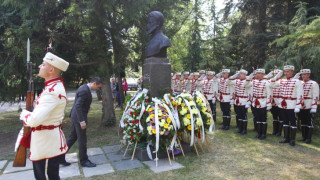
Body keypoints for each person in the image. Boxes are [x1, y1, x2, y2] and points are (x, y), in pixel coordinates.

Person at [19, 52, 69, 179]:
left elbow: (35, 120)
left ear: (51, 70)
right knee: (52, 175)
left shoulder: (52, 92)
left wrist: (24, 114)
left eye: (43, 64)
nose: (39, 66)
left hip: (44, 141)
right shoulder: (52, 87)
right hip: (48, 139)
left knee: (44, 176)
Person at [60, 77, 102, 167]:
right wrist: (82, 121)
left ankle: (60, 157)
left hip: (76, 116)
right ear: (94, 83)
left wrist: (87, 107)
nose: (98, 89)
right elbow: (78, 105)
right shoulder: (84, 90)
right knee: (82, 140)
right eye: (98, 87)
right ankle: (84, 161)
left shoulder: (84, 87)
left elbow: (79, 103)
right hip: (79, 118)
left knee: (72, 137)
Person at [272, 65, 303, 146]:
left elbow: (300, 95)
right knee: (285, 121)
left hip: (291, 104)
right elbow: (270, 85)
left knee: (292, 122)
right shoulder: (282, 81)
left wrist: (298, 106)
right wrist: (276, 77)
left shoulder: (297, 82)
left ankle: (292, 139)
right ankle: (286, 138)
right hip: (282, 105)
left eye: (288, 71)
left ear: (292, 72)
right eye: (285, 72)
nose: (286, 73)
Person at [297, 69, 319, 144]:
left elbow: (315, 96)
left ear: (309, 75)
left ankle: (308, 138)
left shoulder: (313, 83)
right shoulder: (300, 83)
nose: (303, 76)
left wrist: (314, 107)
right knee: (303, 121)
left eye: (305, 74)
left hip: (309, 104)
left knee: (309, 121)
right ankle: (303, 137)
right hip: (301, 105)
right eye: (302, 74)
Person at [251, 69, 272, 140]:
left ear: (263, 74)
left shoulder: (266, 83)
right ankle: (259, 133)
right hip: (255, 102)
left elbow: (269, 94)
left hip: (263, 102)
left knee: (263, 119)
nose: (257, 75)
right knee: (257, 118)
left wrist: (269, 104)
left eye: (259, 73)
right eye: (256, 73)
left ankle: (263, 134)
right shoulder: (254, 82)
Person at [233, 69, 252, 134]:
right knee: (239, 115)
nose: (240, 75)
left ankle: (244, 130)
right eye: (239, 73)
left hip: (244, 100)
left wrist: (248, 102)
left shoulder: (248, 82)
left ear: (245, 75)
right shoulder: (237, 81)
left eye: (241, 74)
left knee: (244, 115)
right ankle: (240, 128)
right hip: (237, 100)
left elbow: (250, 93)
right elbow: (229, 81)